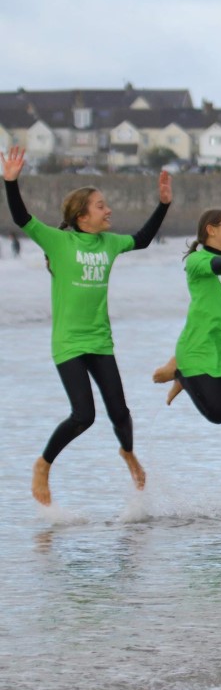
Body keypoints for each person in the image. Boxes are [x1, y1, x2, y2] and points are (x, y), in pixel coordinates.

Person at [2, 146, 170, 505]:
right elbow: (21, 218)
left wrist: (164, 204)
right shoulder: (59, 241)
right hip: (68, 343)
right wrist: (11, 182)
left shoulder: (109, 243)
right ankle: (43, 464)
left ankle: (128, 453)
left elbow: (141, 239)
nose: (108, 210)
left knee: (121, 414)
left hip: (100, 341)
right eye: (100, 206)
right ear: (81, 216)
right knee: (84, 415)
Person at [153, 159, 221, 424]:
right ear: (211, 230)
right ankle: (181, 371)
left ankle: (182, 375)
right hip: (199, 350)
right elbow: (217, 264)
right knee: (217, 414)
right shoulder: (197, 261)